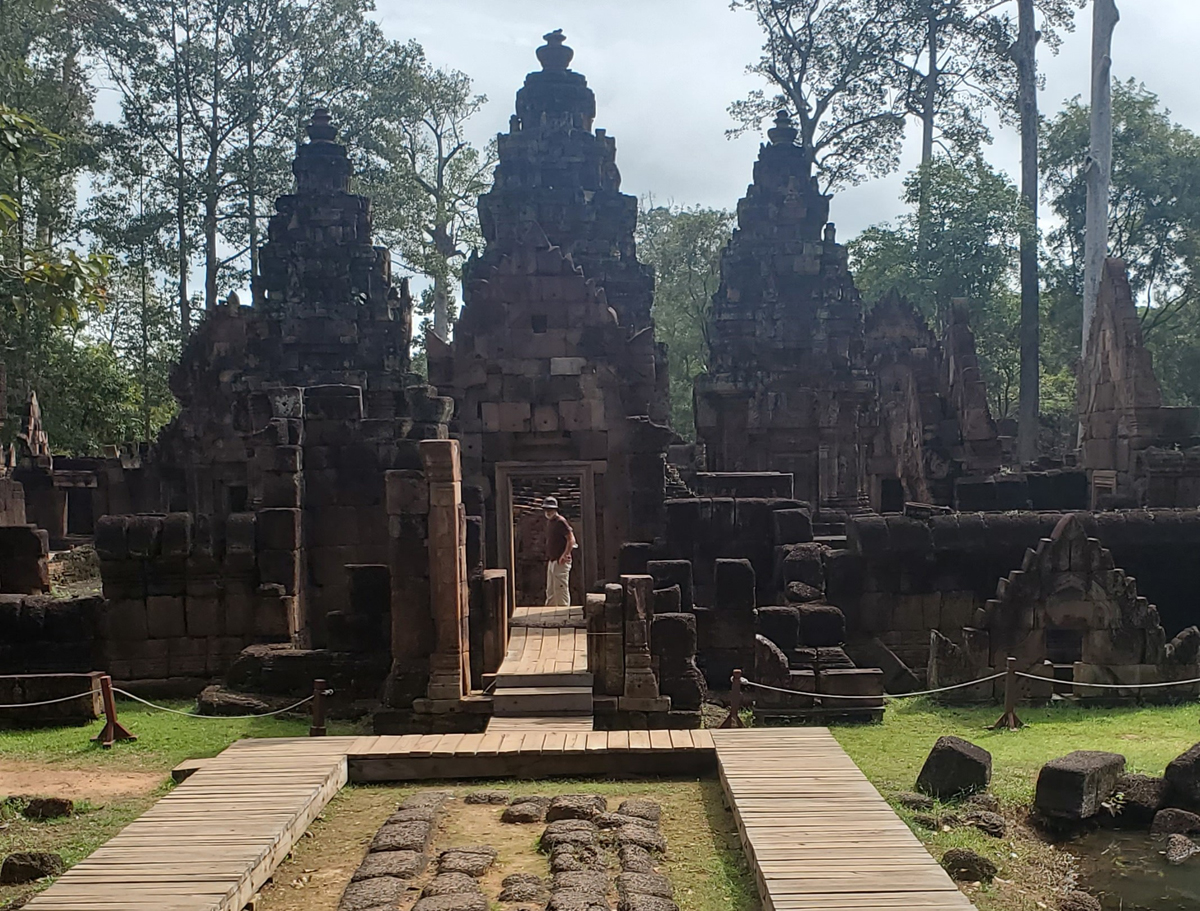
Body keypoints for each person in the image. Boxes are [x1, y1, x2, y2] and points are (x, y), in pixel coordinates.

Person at [542, 496, 575, 607]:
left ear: (555, 509)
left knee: (561, 589)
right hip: (552, 560)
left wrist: (565, 555)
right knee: (550, 590)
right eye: (546, 509)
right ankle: (549, 614)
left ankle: (564, 614)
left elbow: (571, 539)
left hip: (560, 561)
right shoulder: (550, 522)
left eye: (550, 509)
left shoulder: (561, 521)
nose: (548, 512)